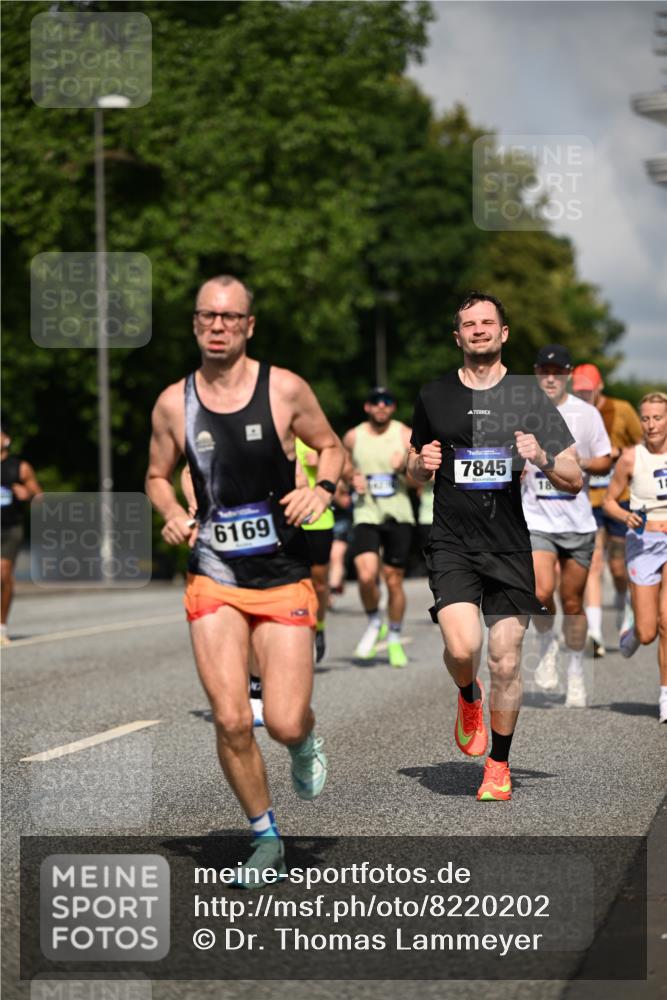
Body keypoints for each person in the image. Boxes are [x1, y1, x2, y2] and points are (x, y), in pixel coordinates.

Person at [146, 275, 344, 884]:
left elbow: (330, 445)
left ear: (248, 326)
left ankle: (304, 739)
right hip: (213, 575)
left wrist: (320, 488)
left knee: (282, 720)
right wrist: (175, 514)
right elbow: (157, 474)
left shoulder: (284, 389)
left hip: (282, 576)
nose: (218, 326)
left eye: (230, 317)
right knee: (232, 718)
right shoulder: (172, 403)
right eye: (207, 315)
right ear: (196, 323)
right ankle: (266, 837)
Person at [408, 293, 580, 801]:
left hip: (508, 546)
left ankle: (498, 766)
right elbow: (412, 469)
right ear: (457, 336)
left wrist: (542, 455)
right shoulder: (434, 395)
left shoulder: (527, 395)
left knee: (506, 659)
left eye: (487, 322)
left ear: (503, 333)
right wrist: (422, 465)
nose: (478, 329)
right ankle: (467, 694)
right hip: (452, 542)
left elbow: (573, 477)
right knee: (464, 649)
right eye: (469, 324)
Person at [521, 347, 612, 708]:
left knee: (572, 600)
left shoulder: (586, 414)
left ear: (568, 374)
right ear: (535, 372)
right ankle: (546, 646)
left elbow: (606, 459)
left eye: (557, 371)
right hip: (536, 519)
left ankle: (574, 669)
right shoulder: (521, 412)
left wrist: (581, 462)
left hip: (577, 523)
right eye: (544, 369)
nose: (550, 377)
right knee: (541, 592)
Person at [603, 392, 667, 723]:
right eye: (645, 418)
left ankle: (665, 696)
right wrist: (623, 515)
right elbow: (609, 501)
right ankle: (630, 632)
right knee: (647, 633)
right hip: (643, 542)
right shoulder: (631, 457)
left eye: (658, 417)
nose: (651, 424)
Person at [571, 363, 643, 655]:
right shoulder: (571, 413)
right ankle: (595, 633)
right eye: (579, 391)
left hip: (620, 497)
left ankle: (626, 605)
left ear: (599, 387)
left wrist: (617, 455)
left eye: (588, 390)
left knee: (617, 568)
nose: (584, 395)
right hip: (588, 499)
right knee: (594, 563)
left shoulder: (622, 410)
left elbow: (643, 446)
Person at [343, 387, 414, 667]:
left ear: (393, 407)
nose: (381, 406)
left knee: (393, 579)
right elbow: (339, 463)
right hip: (366, 513)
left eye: (387, 402)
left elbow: (420, 479)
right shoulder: (353, 436)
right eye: (375, 402)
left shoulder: (404, 434)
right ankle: (375, 620)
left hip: (398, 514)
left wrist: (405, 467)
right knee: (365, 575)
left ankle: (394, 636)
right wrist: (351, 478)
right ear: (367, 407)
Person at [1, 423, 43, 645]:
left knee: (3, 574)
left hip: (10, 528)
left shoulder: (20, 467)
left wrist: (27, 493)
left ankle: (1, 627)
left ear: (6, 439)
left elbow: (39, 497)